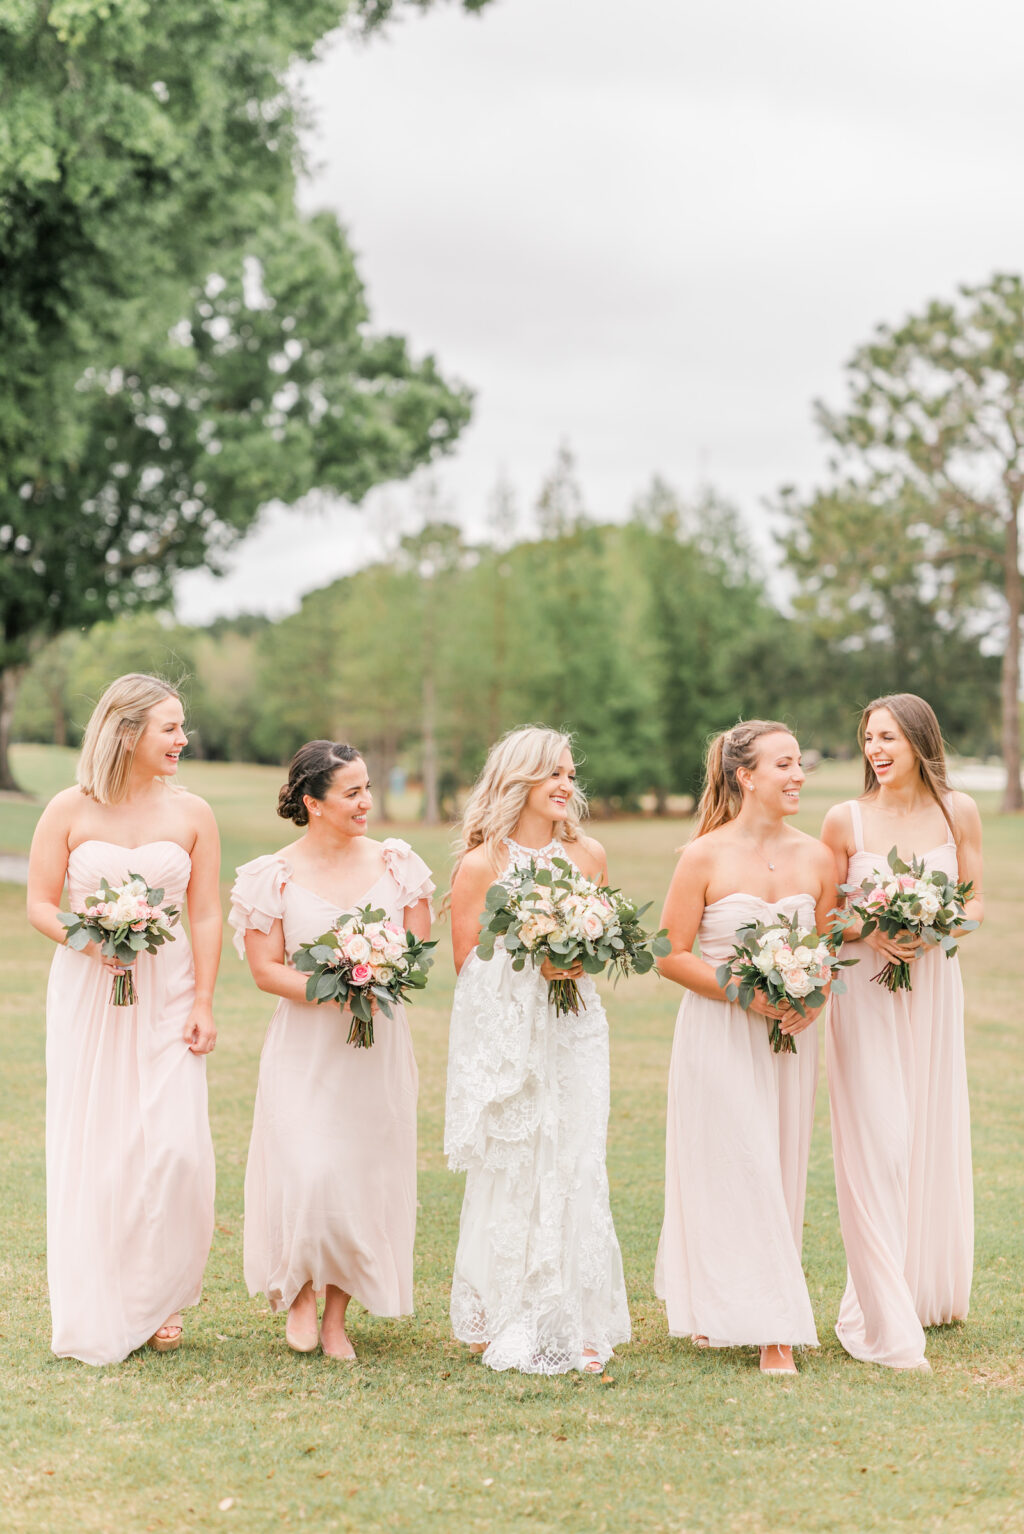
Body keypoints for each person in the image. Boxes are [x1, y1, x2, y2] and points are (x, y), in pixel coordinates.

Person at [27, 674, 218, 1364]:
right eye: (170, 727)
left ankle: (160, 1287)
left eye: (182, 726)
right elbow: (41, 903)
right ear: (127, 731)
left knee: (174, 1149)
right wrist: (92, 938)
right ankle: (114, 1298)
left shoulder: (193, 813)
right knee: (100, 1144)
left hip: (169, 991)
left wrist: (202, 1000)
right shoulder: (68, 809)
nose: (182, 739)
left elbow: (204, 911)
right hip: (89, 992)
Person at [230, 741, 433, 1359]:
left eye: (368, 788)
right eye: (353, 792)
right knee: (308, 1168)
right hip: (307, 1044)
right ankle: (298, 1294)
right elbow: (265, 969)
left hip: (376, 1046)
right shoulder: (274, 875)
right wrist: (337, 990)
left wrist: (380, 976)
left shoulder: (398, 864)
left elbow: (417, 950)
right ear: (313, 802)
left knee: (360, 1172)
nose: (368, 802)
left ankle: (338, 1315)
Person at [444, 726, 631, 1375]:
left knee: (577, 1158)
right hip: (512, 1042)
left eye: (570, 773)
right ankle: (501, 1312)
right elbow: (469, 966)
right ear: (519, 779)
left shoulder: (588, 855)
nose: (565, 785)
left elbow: (603, 942)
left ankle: (574, 1316)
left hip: (576, 1030)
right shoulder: (480, 866)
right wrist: (534, 965)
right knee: (517, 1161)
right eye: (552, 773)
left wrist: (575, 960)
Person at [655, 720, 836, 1375]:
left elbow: (828, 953)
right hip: (719, 1030)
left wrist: (811, 999)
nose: (797, 776)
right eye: (783, 764)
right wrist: (742, 991)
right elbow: (667, 954)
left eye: (799, 764)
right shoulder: (702, 855)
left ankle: (752, 1309)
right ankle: (769, 1327)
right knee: (735, 1162)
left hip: (788, 1038)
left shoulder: (817, 857)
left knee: (779, 1162)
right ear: (745, 776)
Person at [822, 693, 983, 1371]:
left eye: (887, 737)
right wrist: (872, 927)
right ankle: (879, 1300)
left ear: (920, 739)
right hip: (864, 992)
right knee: (879, 1138)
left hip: (932, 988)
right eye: (868, 738)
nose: (876, 750)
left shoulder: (959, 811)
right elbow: (824, 918)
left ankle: (922, 1285)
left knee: (924, 1128)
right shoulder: (844, 819)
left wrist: (934, 926)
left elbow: (974, 902)